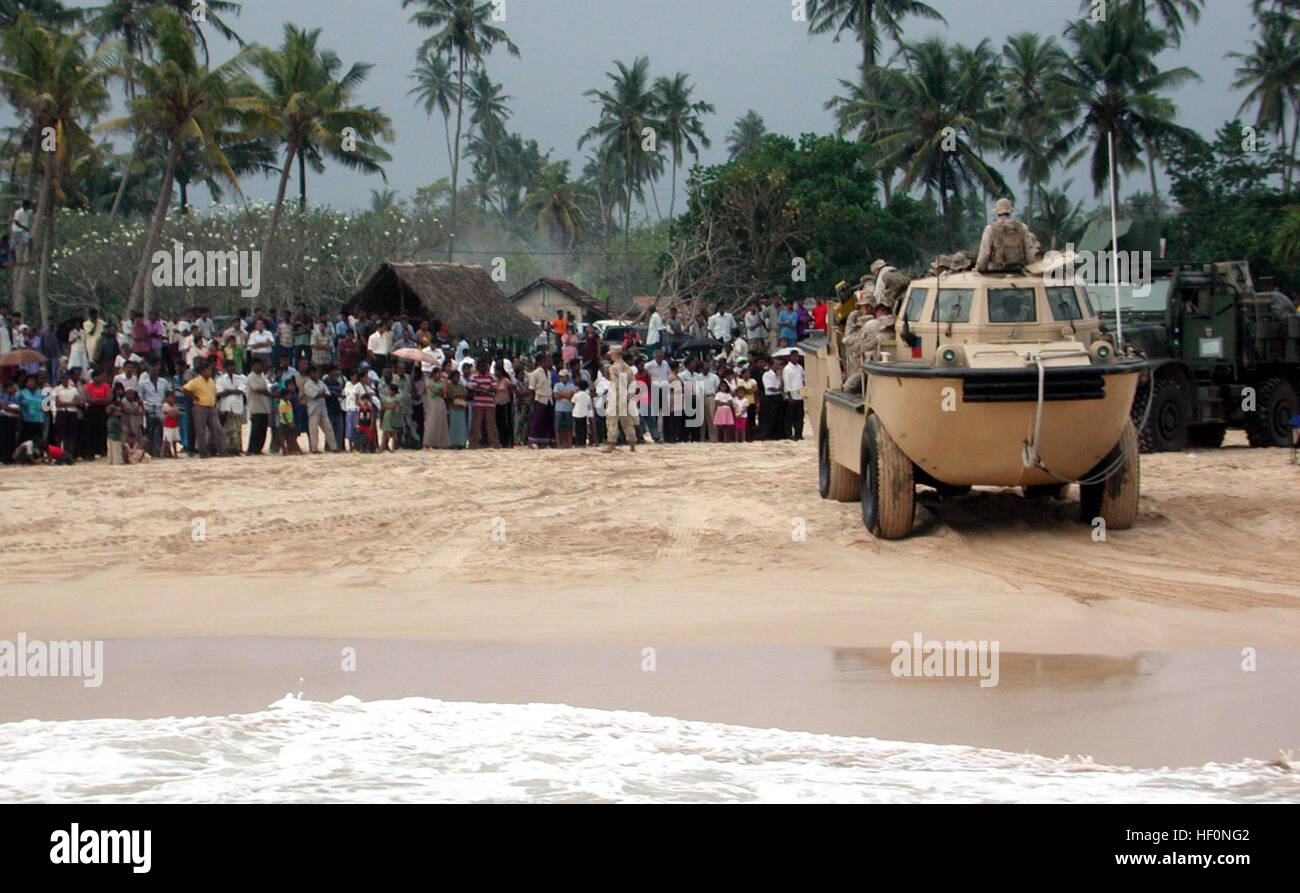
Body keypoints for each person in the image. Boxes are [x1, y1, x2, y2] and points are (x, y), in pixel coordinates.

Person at [976, 198, 1041, 274]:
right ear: (1010, 212)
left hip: (995, 272)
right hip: (1018, 271)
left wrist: (979, 268)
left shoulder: (990, 229)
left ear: (997, 213)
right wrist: (1031, 268)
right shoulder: (1022, 227)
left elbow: (985, 253)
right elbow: (1029, 252)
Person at [183, 360, 225, 458]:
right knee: (201, 431)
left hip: (211, 407)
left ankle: (222, 450)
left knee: (217, 430)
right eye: (208, 370)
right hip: (200, 407)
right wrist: (193, 397)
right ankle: (203, 452)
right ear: (202, 371)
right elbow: (185, 389)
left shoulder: (211, 381)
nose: (210, 372)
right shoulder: (195, 381)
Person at [602, 346, 638, 452]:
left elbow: (617, 384)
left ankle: (611, 444)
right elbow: (633, 383)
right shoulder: (627, 367)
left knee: (612, 421)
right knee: (627, 422)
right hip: (626, 397)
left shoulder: (613, 367)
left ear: (615, 354)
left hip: (616, 397)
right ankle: (632, 445)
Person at [302, 366, 337, 453]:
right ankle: (314, 449)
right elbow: (314, 395)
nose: (317, 375)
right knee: (314, 430)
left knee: (328, 428)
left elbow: (327, 394)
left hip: (323, 409)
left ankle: (334, 447)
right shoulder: (307, 384)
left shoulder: (321, 383)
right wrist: (321, 394)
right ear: (311, 373)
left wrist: (321, 394)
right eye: (315, 373)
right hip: (313, 410)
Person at [467, 359, 499, 448]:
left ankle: (494, 442)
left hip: (489, 404)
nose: (483, 368)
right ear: (478, 367)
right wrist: (486, 391)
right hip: (478, 404)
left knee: (491, 425)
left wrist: (480, 390)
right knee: (476, 425)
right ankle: (473, 443)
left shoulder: (491, 377)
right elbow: (472, 388)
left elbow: (494, 388)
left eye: (485, 366)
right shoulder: (474, 376)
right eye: (481, 366)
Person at [215, 364, 246, 455]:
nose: (232, 369)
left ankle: (237, 449)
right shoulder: (220, 379)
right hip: (225, 407)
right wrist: (233, 391)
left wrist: (228, 391)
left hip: (237, 407)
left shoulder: (239, 378)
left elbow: (241, 391)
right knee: (227, 430)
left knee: (237, 429)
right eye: (229, 367)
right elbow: (220, 393)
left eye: (233, 367)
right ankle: (227, 449)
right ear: (225, 368)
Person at [245, 358, 273, 455]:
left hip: (264, 406)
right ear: (252, 366)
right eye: (257, 365)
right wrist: (269, 394)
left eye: (260, 365)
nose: (259, 367)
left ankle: (258, 449)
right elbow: (256, 389)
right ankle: (251, 449)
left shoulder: (262, 377)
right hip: (255, 407)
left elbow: (267, 388)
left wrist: (269, 393)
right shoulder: (251, 377)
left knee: (263, 430)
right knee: (256, 429)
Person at [527, 355, 555, 448]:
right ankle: (532, 440)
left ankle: (544, 441)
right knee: (537, 421)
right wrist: (533, 401)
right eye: (547, 361)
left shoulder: (549, 373)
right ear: (541, 362)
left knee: (547, 421)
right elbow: (531, 388)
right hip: (539, 399)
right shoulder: (536, 373)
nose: (549, 362)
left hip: (548, 399)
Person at [783, 351, 806, 441]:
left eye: (797, 356)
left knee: (800, 416)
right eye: (794, 356)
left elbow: (803, 378)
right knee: (790, 417)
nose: (796, 358)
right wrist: (789, 396)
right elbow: (787, 383)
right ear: (790, 357)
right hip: (791, 396)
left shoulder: (800, 367)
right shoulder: (787, 369)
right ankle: (789, 434)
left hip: (799, 395)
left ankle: (799, 434)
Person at [761, 358, 786, 440]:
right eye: (777, 365)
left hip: (778, 396)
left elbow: (781, 386)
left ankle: (778, 434)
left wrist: (781, 377)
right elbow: (769, 387)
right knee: (770, 416)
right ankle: (769, 434)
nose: (778, 366)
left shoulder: (778, 374)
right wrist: (778, 389)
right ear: (771, 365)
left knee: (779, 416)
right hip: (770, 397)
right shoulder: (767, 374)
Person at [444, 369, 469, 448]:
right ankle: (452, 443)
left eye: (458, 377)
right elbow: (450, 395)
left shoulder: (461, 386)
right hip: (453, 408)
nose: (457, 379)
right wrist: (458, 395)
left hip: (461, 408)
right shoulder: (449, 386)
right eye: (456, 377)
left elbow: (465, 394)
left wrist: (457, 395)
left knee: (461, 427)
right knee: (453, 427)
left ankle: (461, 443)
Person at [553, 368, 576, 449]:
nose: (562, 379)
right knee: (558, 427)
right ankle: (559, 443)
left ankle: (569, 444)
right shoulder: (557, 385)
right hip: (559, 409)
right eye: (560, 377)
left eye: (563, 377)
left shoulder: (572, 386)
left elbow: (571, 396)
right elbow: (556, 396)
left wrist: (561, 394)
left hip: (568, 409)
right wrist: (566, 395)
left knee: (569, 427)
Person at [493, 368, 514, 449]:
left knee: (506, 423)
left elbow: (510, 392)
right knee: (498, 423)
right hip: (497, 404)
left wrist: (510, 402)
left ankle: (507, 441)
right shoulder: (495, 381)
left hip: (505, 404)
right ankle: (500, 440)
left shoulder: (506, 381)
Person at [161, 393, 181, 458]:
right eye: (170, 397)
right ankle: (162, 454)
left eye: (173, 398)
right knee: (165, 440)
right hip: (168, 425)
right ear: (166, 398)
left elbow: (177, 414)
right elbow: (171, 414)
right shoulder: (165, 405)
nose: (172, 399)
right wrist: (174, 413)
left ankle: (175, 454)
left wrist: (174, 413)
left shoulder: (174, 405)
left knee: (175, 440)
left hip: (174, 424)